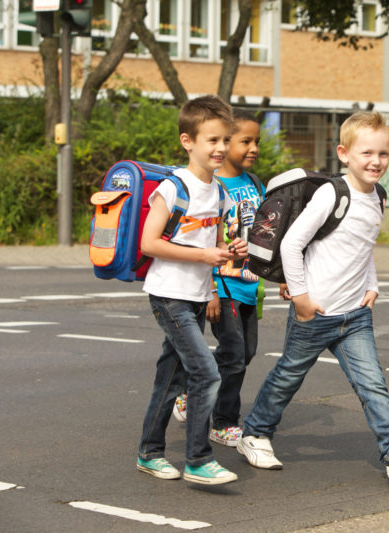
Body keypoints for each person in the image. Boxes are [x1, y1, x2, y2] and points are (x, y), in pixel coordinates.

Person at [237, 111, 389, 485]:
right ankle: (254, 433)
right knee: (288, 375)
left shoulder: (378, 197)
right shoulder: (333, 194)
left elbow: (363, 249)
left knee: (372, 384)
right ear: (344, 153)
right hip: (315, 311)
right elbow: (291, 243)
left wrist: (373, 284)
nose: (376, 161)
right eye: (366, 153)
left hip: (354, 315)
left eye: (383, 154)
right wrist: (300, 298)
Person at [136, 95, 247, 485]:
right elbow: (150, 243)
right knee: (206, 373)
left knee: (172, 378)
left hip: (199, 295)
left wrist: (229, 254)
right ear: (188, 141)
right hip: (169, 295)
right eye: (211, 140)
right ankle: (199, 460)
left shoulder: (219, 192)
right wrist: (204, 257)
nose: (220, 148)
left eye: (224, 140)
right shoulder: (172, 188)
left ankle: (149, 452)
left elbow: (215, 244)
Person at [206, 109, 266, 447]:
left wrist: (282, 277)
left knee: (246, 353)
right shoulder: (212, 187)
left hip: (249, 284)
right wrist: (210, 289)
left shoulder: (255, 184)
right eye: (246, 141)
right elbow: (201, 240)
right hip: (223, 284)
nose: (254, 148)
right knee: (233, 352)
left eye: (256, 141)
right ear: (225, 143)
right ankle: (224, 422)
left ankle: (191, 383)